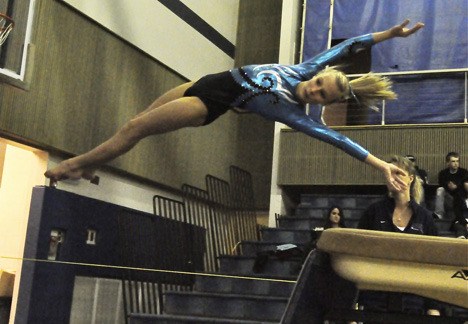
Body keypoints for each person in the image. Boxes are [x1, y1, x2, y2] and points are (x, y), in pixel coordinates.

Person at [44, 20, 424, 193]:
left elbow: (341, 143)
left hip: (208, 104)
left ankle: (73, 166)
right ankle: (88, 167)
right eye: (320, 82)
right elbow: (350, 45)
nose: (315, 89)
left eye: (322, 94)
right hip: (205, 81)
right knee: (137, 120)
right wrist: (390, 34)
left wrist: (380, 164)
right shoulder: (301, 69)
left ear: (324, 103)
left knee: (133, 131)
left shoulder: (293, 113)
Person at [357, 155, 440, 316]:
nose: (392, 178)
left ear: (411, 178)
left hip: (414, 300)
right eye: (389, 173)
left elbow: (433, 262)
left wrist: (433, 306)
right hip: (376, 299)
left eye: (398, 173)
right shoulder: (373, 212)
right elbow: (359, 256)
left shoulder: (425, 218)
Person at [434, 152, 468, 219]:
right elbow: (442, 184)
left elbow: (465, 186)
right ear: (448, 163)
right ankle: (439, 214)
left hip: (461, 198)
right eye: (453, 161)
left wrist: (456, 187)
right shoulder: (443, 173)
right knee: (440, 190)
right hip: (448, 197)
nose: (456, 163)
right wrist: (449, 186)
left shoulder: (463, 172)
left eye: (457, 161)